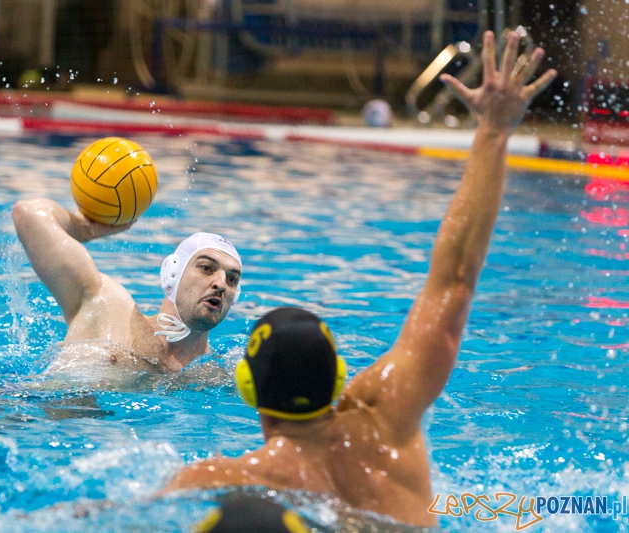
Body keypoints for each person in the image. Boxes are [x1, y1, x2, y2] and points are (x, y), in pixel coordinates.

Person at [163, 30, 557, 527]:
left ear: (246, 386)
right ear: (342, 378)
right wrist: (495, 130)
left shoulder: (226, 478)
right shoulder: (388, 414)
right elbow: (455, 278)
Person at [12, 197, 242, 373]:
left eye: (232, 279)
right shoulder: (110, 307)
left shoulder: (215, 373)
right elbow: (28, 214)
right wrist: (87, 229)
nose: (221, 284)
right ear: (172, 273)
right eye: (206, 268)